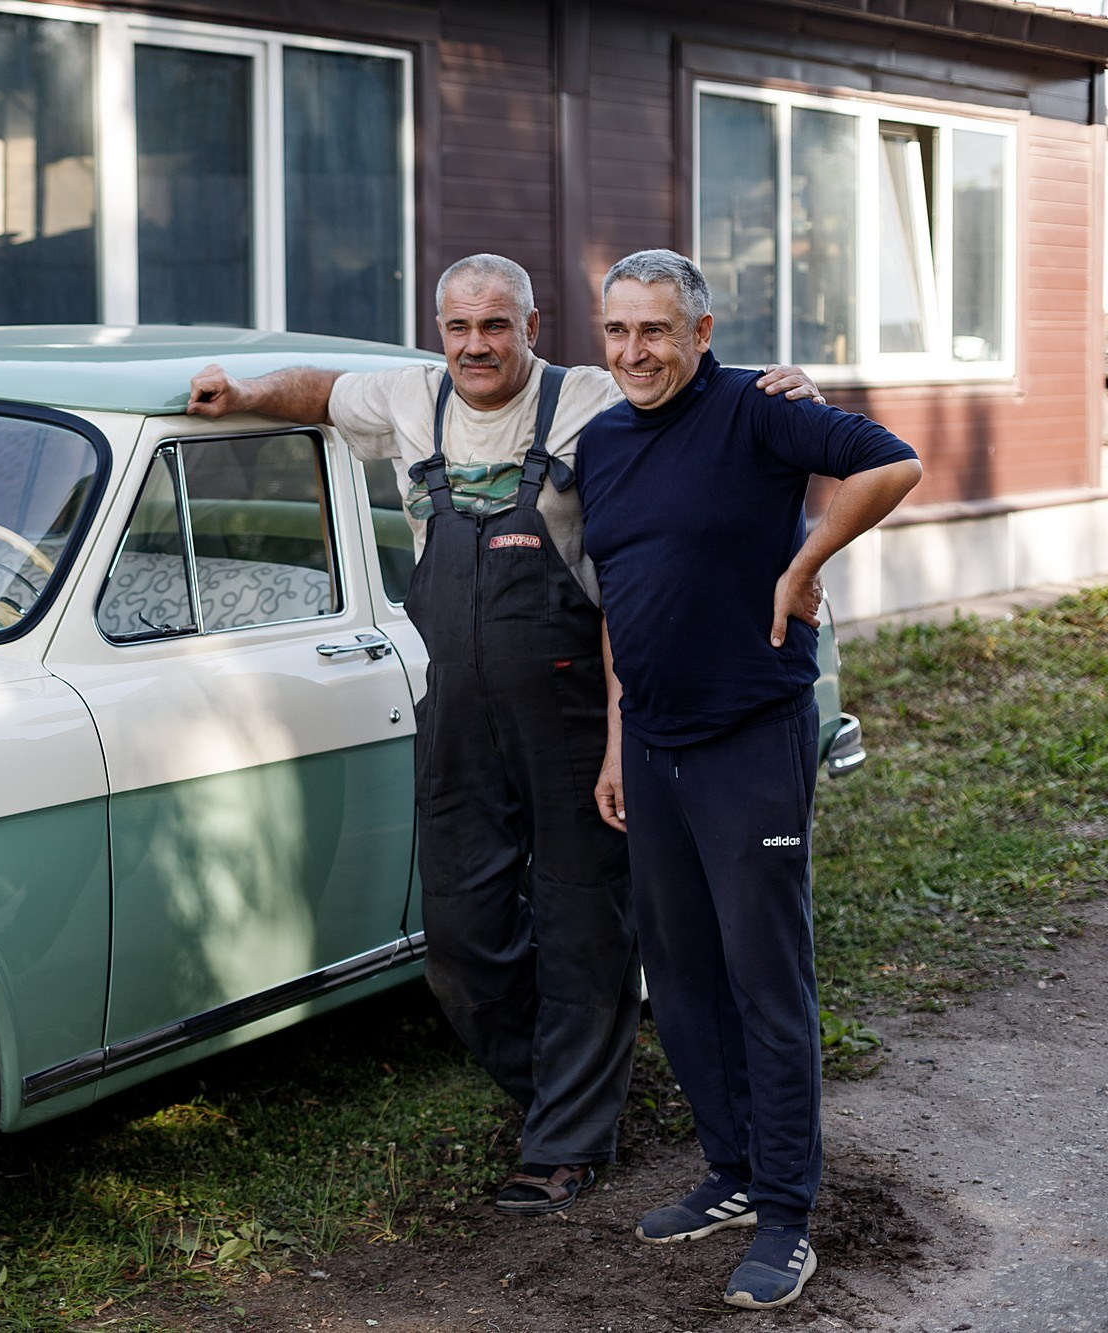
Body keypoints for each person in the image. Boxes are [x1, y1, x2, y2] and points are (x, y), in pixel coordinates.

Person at [186, 254, 820, 1215]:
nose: (476, 344)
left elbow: (707, 392)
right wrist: (240, 390)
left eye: (497, 325)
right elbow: (316, 391)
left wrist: (797, 391)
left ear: (534, 324)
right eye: (457, 327)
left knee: (582, 925)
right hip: (459, 711)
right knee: (462, 934)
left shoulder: (596, 392)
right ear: (438, 330)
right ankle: (565, 1087)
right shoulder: (407, 398)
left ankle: (568, 1135)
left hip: (574, 708)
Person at [577, 249, 921, 1309]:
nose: (635, 352)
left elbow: (890, 462)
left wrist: (802, 564)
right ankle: (727, 1172)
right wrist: (612, 734)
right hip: (652, 741)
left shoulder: (757, 409)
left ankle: (784, 1212)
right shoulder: (597, 442)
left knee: (763, 978)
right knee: (676, 975)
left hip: (749, 734)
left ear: (699, 331)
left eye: (656, 332)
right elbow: (615, 594)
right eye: (617, 331)